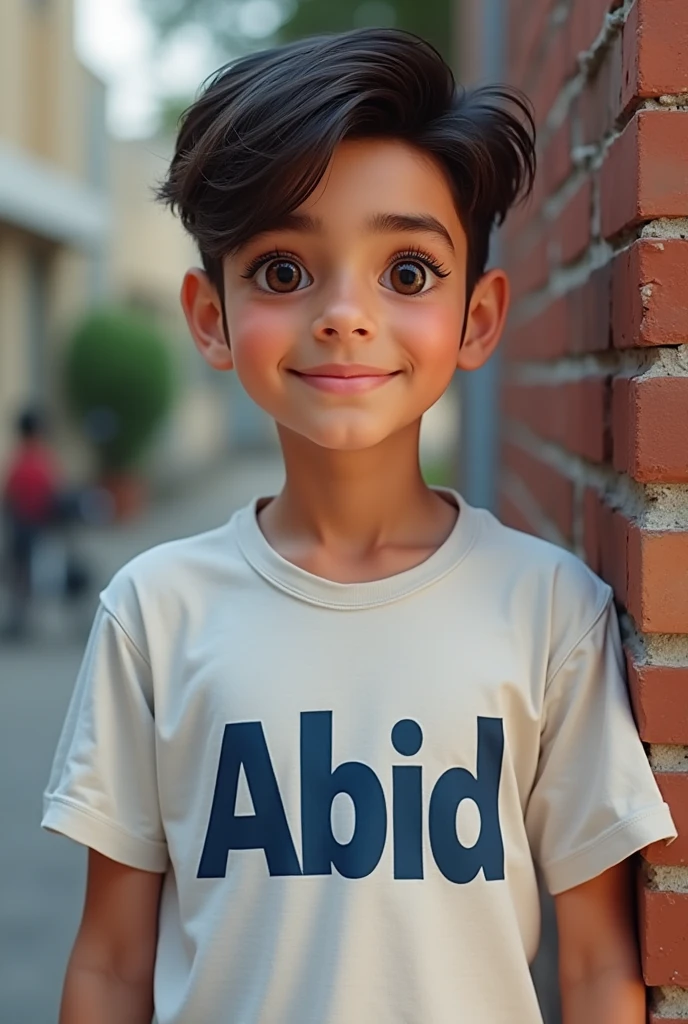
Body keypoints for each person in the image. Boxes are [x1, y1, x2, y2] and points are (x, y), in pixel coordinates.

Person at [42, 28, 677, 1024]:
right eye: (285, 271)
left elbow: (597, 968)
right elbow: (113, 961)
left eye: (408, 272)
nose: (344, 314)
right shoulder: (154, 613)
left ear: (476, 317)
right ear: (209, 317)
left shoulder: (550, 610)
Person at [1, 407, 61, 638]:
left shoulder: (19, 461)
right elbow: (53, 493)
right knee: (29, 573)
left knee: (19, 574)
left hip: (21, 526)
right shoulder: (42, 461)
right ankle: (23, 616)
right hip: (36, 527)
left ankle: (19, 617)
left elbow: (8, 495)